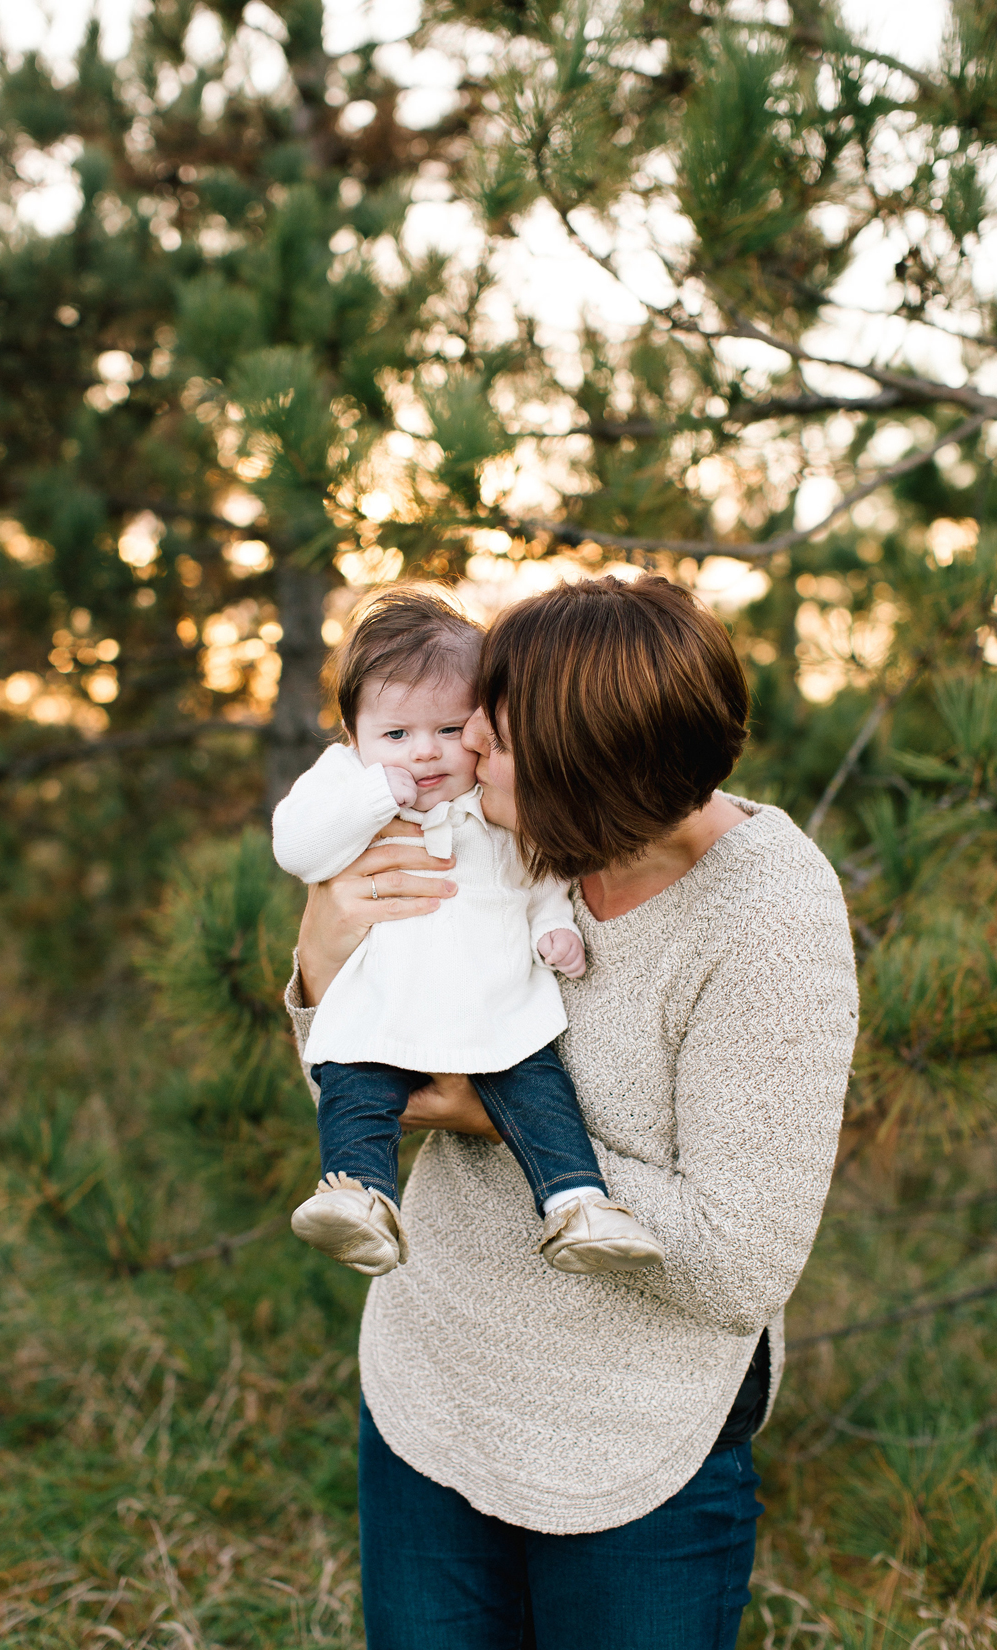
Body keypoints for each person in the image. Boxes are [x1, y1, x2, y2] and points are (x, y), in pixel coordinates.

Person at [284, 574, 858, 1650]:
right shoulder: (478, 836)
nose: (456, 756)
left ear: (584, 775)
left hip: (630, 1445)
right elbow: (354, 1095)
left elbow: (740, 1268)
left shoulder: (765, 921)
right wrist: (321, 961)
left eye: (489, 741)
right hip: (430, 1387)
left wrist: (494, 1122)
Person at [271, 586, 664, 1278]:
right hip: (383, 1002)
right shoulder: (344, 780)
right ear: (353, 733)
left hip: (498, 1004)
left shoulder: (491, 796)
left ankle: (578, 1205)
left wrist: (552, 927)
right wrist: (372, 794)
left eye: (449, 730)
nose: (423, 755)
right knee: (356, 1086)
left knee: (541, 1094)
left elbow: (539, 872)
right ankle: (359, 1196)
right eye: (395, 736)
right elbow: (296, 848)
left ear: (480, 726)